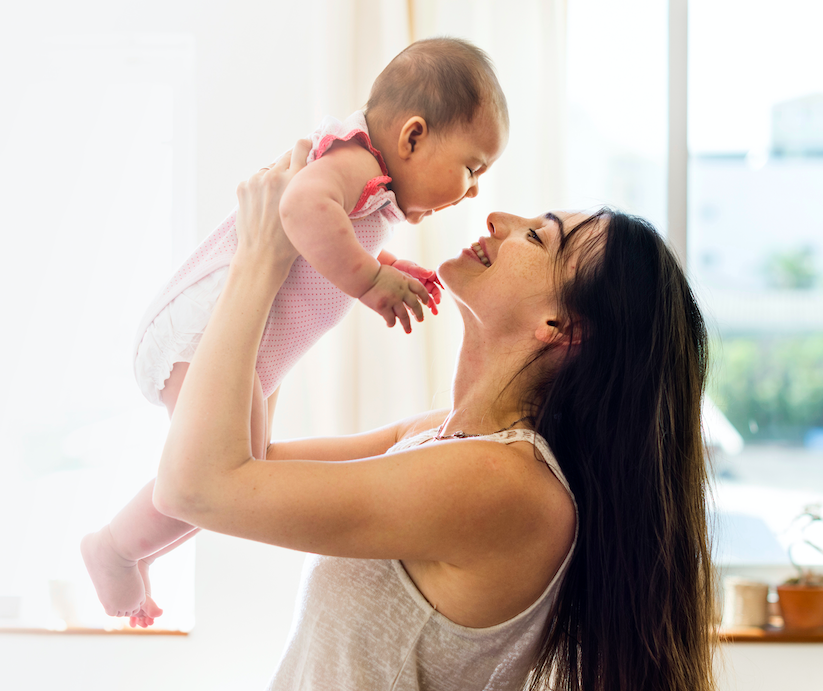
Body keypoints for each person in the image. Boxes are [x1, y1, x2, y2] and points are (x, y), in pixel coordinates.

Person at [152, 143, 717, 690]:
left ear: (559, 328)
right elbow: (246, 457)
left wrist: (259, 260)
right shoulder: (439, 437)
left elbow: (198, 488)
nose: (498, 218)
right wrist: (297, 276)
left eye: (537, 237)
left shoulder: (504, 483)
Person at [80, 36, 508, 625]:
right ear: (412, 137)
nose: (475, 190)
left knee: (238, 475)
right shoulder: (358, 162)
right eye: (472, 168)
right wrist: (368, 281)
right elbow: (301, 208)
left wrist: (382, 268)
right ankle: (114, 550)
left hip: (237, 338)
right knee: (223, 478)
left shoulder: (370, 184)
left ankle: (134, 549)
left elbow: (324, 246)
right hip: (205, 324)